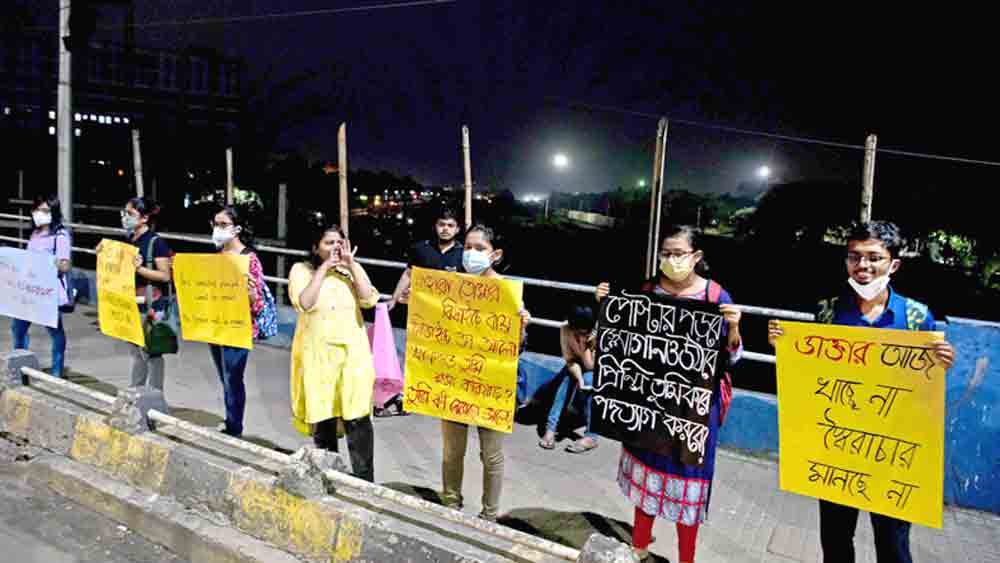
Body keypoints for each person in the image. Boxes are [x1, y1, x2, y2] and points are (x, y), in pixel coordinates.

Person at [767, 221, 955, 563]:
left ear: (893, 264)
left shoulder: (917, 317)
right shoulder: (827, 311)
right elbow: (811, 377)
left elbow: (927, 385)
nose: (863, 266)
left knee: (894, 548)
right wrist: (786, 346)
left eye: (874, 257)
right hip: (838, 453)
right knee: (836, 543)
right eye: (854, 257)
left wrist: (944, 361)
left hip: (895, 457)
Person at [596, 225, 743, 563]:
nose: (671, 259)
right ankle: (639, 547)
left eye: (678, 253)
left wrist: (733, 326)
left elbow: (733, 356)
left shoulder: (716, 298)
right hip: (648, 406)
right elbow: (620, 341)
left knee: (688, 483)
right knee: (645, 477)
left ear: (697, 257)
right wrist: (604, 306)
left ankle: (686, 558)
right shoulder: (646, 289)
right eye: (666, 253)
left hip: (693, 414)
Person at [440, 224, 530, 522]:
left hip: (492, 385)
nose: (471, 253)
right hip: (455, 380)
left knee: (491, 455)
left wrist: (521, 327)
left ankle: (490, 515)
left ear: (495, 254)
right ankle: (450, 501)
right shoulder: (451, 287)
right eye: (467, 247)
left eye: (479, 248)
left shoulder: (508, 293)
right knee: (452, 450)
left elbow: (516, 349)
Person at [288, 225, 379, 482]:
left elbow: (369, 300)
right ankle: (329, 476)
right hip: (319, 356)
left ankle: (364, 480)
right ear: (316, 247)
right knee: (323, 414)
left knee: (358, 416)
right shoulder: (302, 270)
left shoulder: (350, 271)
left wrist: (352, 266)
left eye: (340, 242)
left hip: (353, 355)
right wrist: (324, 270)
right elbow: (305, 302)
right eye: (329, 243)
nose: (335, 248)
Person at [380, 206, 463, 416]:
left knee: (446, 359)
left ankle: (441, 398)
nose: (445, 229)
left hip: (449, 319)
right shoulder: (420, 248)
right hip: (420, 315)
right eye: (442, 224)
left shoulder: (464, 255)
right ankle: (408, 397)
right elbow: (408, 274)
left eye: (450, 225)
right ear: (435, 226)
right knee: (415, 355)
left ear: (457, 229)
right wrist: (395, 298)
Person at [208, 206, 265, 437]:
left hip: (238, 327)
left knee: (233, 378)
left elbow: (257, 302)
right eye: (215, 224)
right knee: (225, 377)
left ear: (237, 229)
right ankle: (231, 419)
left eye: (223, 225)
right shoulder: (217, 256)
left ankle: (235, 428)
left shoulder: (249, 259)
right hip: (215, 325)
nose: (217, 229)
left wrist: (251, 293)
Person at [11, 195, 72, 377]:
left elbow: (65, 265)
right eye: (37, 210)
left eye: (45, 210)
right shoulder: (35, 233)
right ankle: (20, 365)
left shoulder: (60, 235)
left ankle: (57, 370)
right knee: (18, 328)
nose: (40, 214)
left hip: (47, 291)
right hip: (29, 290)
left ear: (53, 212)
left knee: (55, 331)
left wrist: (48, 262)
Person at [121, 197, 173, 391]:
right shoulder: (129, 239)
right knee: (136, 351)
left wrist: (140, 269)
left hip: (152, 305)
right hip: (133, 303)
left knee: (152, 352)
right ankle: (137, 391)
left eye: (130, 214)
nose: (125, 217)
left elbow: (165, 275)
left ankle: (154, 394)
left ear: (144, 218)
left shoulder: (155, 242)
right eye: (124, 213)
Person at [539, 304, 598, 453]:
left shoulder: (597, 331)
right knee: (565, 381)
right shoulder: (565, 329)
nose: (580, 335)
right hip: (575, 364)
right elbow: (570, 360)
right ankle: (551, 429)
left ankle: (591, 436)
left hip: (594, 367)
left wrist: (587, 344)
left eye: (584, 332)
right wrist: (579, 378)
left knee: (590, 382)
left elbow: (591, 365)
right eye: (578, 332)